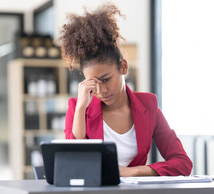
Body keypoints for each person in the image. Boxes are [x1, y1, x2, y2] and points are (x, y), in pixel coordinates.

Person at [57, 3, 192, 177]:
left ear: (123, 67)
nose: (101, 90)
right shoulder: (77, 108)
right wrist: (81, 109)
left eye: (106, 79)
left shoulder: (148, 106)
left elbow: (182, 163)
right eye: (93, 82)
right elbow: (72, 165)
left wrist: (134, 172)